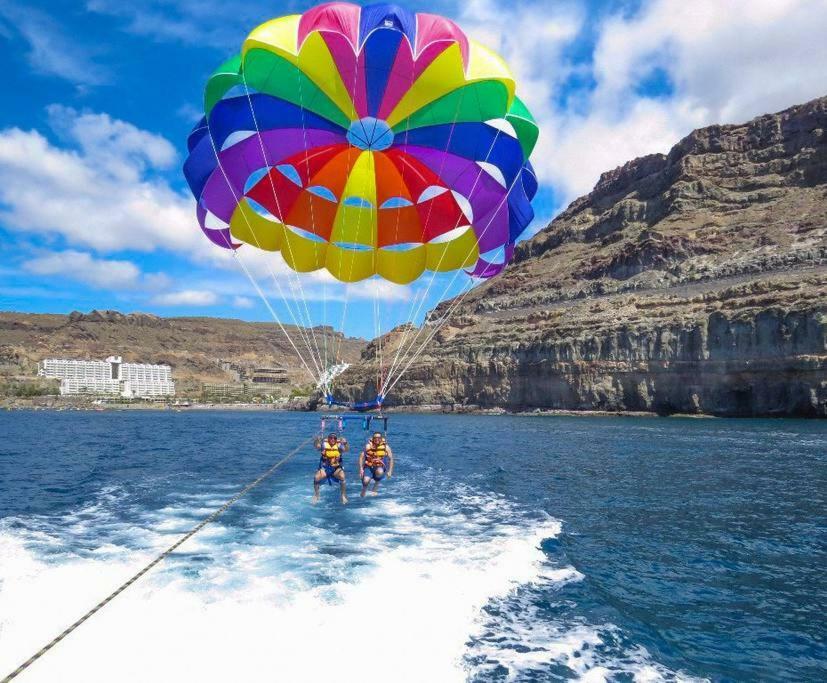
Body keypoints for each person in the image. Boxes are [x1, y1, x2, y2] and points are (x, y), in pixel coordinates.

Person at [313, 432, 349, 505]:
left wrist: (345, 443)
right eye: (331, 438)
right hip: (325, 468)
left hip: (336, 468)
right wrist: (317, 440)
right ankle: (316, 495)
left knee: (342, 476)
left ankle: (343, 495)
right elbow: (316, 446)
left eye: (334, 438)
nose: (332, 439)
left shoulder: (339, 446)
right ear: (328, 439)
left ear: (336, 440)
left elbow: (346, 449)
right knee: (316, 477)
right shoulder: (324, 445)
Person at [359, 431, 394, 497]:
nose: (377, 439)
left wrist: (390, 471)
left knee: (380, 472)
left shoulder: (386, 447)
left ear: (381, 438)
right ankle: (364, 489)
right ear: (373, 438)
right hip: (369, 466)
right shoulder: (368, 446)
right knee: (366, 481)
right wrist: (361, 469)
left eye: (379, 437)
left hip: (380, 466)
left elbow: (391, 459)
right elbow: (361, 457)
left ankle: (376, 484)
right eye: (375, 437)